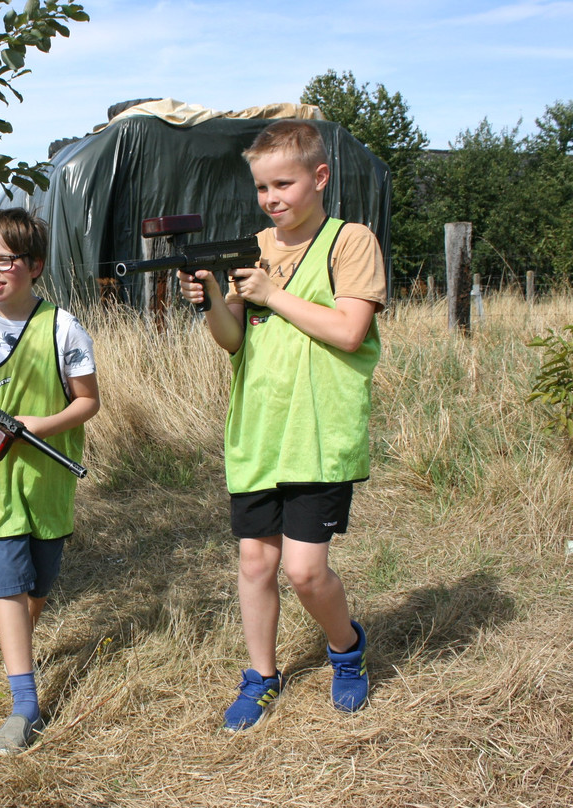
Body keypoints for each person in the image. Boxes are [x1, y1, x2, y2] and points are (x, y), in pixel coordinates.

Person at [179, 120, 386, 731]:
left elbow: (349, 331)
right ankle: (262, 676)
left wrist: (269, 291)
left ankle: (347, 649)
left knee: (305, 570)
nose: (272, 198)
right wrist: (215, 298)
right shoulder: (255, 246)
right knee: (254, 564)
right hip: (259, 433)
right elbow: (232, 341)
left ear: (319, 178)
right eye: (262, 187)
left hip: (318, 436)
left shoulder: (350, 242)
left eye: (284, 183)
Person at [0, 208, 100, 755]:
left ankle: (17, 640)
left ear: (34, 265)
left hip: (47, 478)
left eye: (4, 259)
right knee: (6, 580)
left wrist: (40, 424)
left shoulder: (62, 326)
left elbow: (88, 402)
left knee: (40, 579)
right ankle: (24, 705)